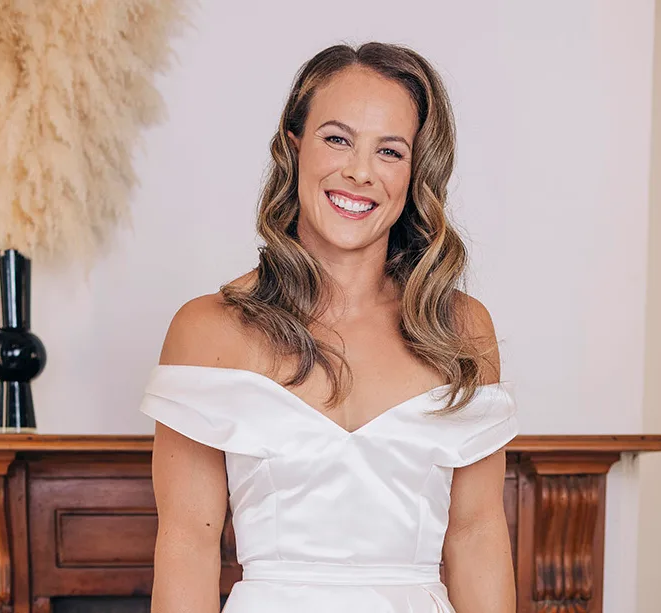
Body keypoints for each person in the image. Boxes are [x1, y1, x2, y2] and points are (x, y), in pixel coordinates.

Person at [139, 41, 519, 613]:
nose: (359, 171)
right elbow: (188, 545)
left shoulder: (460, 329)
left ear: (416, 173)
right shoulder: (208, 330)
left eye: (389, 151)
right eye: (336, 138)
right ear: (294, 148)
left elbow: (476, 536)